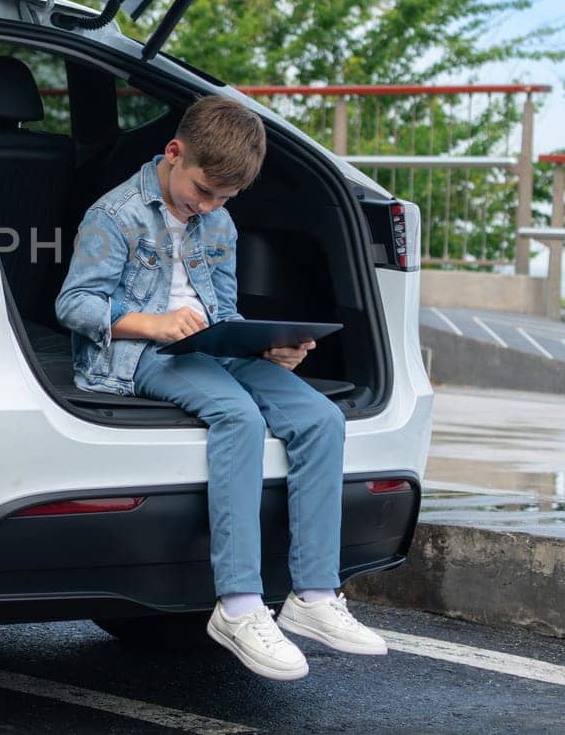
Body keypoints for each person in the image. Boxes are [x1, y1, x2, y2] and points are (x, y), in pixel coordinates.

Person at [54, 95, 386, 681]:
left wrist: (267, 347)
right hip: (138, 353)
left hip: (210, 348)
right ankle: (237, 605)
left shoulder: (221, 222)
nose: (208, 205)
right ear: (174, 153)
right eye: (202, 192)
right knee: (238, 415)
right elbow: (75, 303)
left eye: (223, 199)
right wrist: (152, 323)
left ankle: (314, 594)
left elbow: (223, 311)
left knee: (320, 419)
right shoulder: (115, 213)